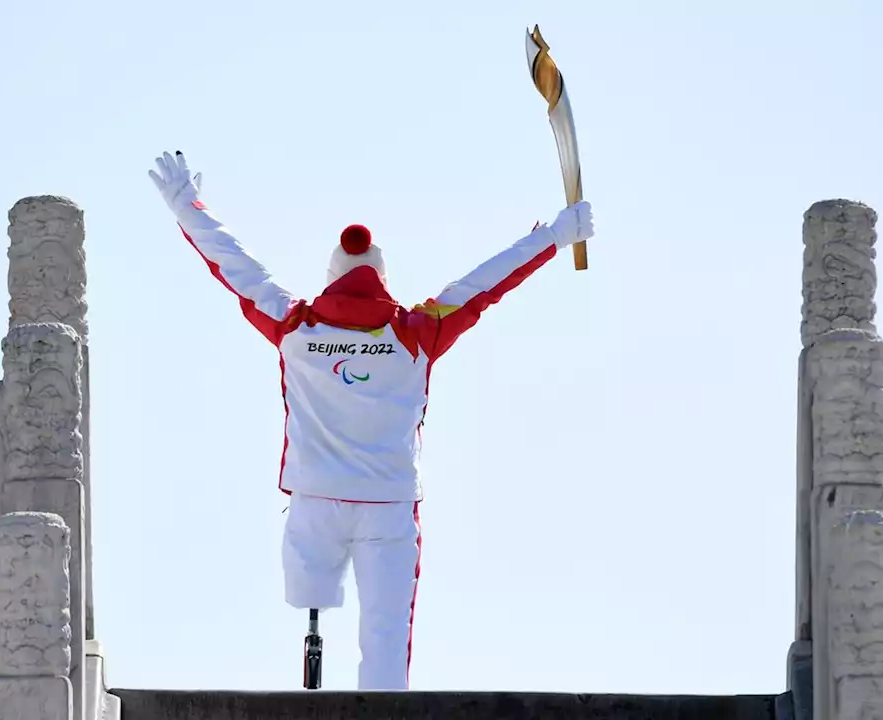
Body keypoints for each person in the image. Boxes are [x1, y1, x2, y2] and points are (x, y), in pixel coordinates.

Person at [149, 150, 595, 690]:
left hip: (315, 500)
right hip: (388, 505)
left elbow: (234, 266)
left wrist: (187, 207)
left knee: (311, 596)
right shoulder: (415, 332)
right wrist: (554, 237)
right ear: (381, 278)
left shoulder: (295, 325)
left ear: (332, 276)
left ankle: (311, 641)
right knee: (386, 635)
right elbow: (486, 283)